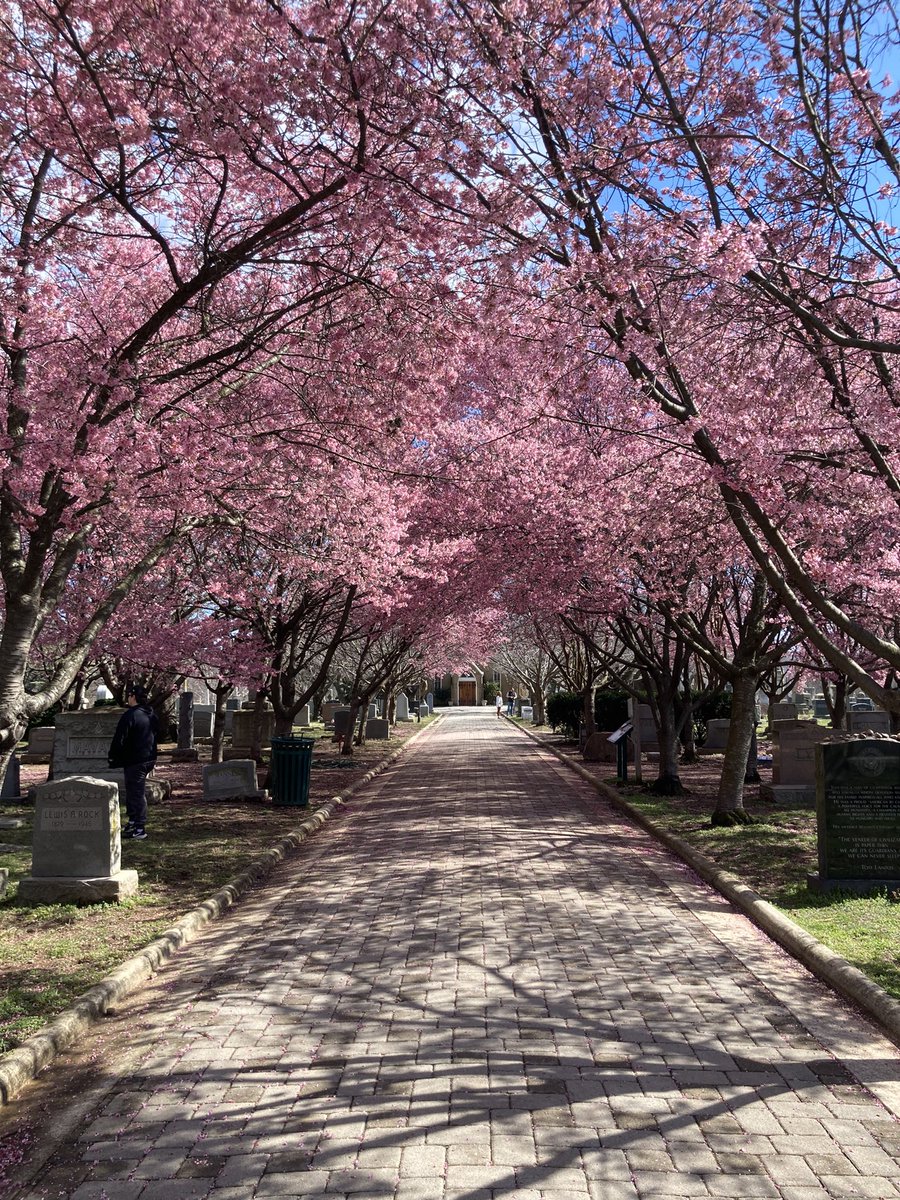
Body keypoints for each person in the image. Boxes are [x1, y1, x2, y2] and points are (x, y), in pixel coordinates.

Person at [108, 684, 159, 840]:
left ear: (132, 697)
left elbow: (119, 738)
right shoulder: (151, 714)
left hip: (135, 760)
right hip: (148, 758)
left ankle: (139, 827)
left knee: (136, 792)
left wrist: (113, 756)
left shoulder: (131, 715)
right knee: (133, 790)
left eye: (128, 696)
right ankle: (132, 822)